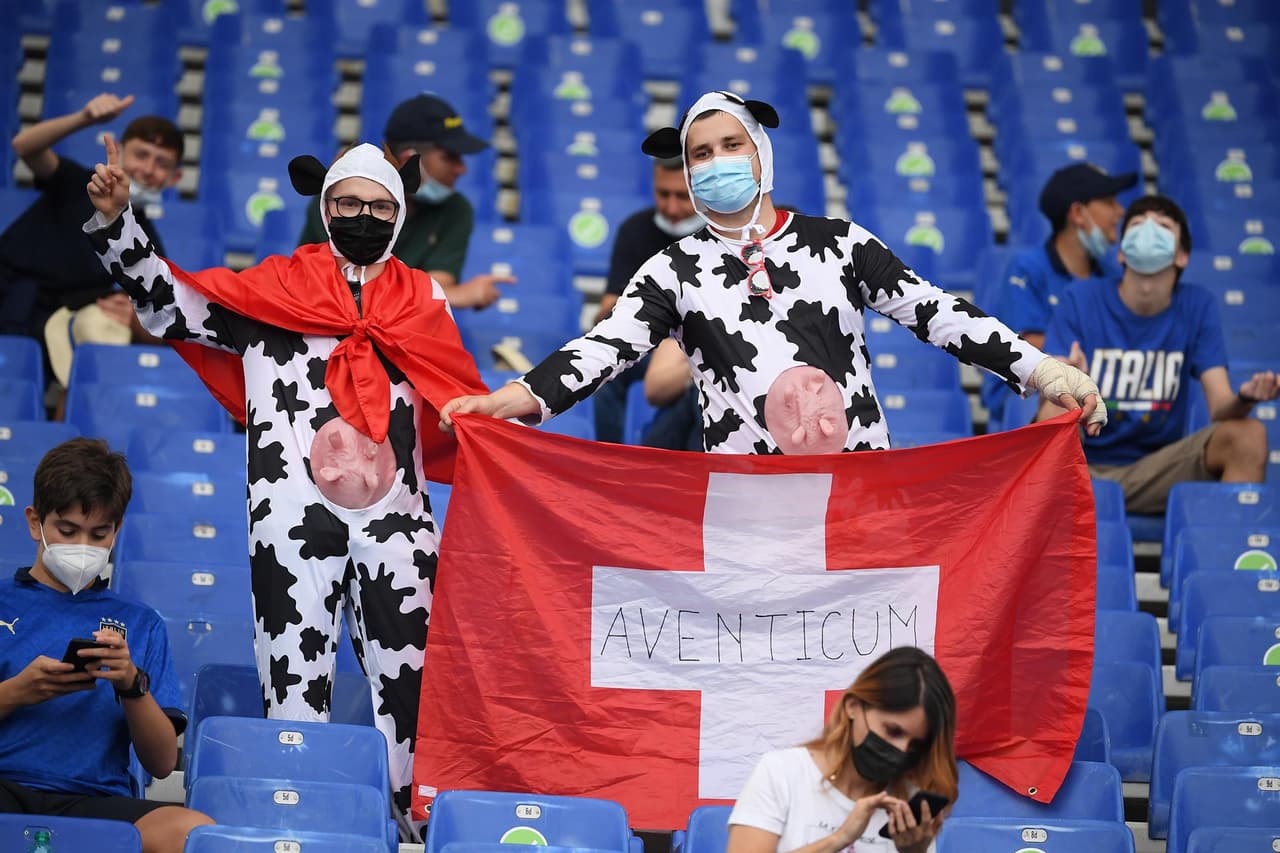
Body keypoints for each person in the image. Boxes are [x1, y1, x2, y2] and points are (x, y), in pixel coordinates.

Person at [84, 137, 488, 840]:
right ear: (325, 207)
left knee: (412, 681)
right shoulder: (273, 289)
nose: (363, 215)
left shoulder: (425, 296)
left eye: (378, 205)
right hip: (290, 509)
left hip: (398, 519)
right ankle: (297, 824)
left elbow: (459, 391)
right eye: (348, 203)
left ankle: (411, 830)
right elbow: (167, 303)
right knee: (293, 680)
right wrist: (122, 223)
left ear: (400, 214)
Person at [440, 91, 1107, 451]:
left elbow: (937, 312)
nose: (716, 161)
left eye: (731, 144)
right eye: (700, 153)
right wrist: (511, 401)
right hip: (743, 514)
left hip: (856, 492)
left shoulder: (840, 242)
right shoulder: (675, 267)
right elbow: (602, 351)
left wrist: (1043, 370)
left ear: (759, 155)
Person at [0, 438, 213, 852]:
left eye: (99, 534)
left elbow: (162, 762)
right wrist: (16, 693)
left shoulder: (141, 623)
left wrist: (131, 685)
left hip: (94, 802)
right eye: (67, 530)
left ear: (116, 531)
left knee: (193, 832)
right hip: (5, 786)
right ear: (34, 522)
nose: (83, 546)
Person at [1038, 194, 1278, 514]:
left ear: (1181, 256)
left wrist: (1245, 398)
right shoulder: (1080, 298)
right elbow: (1044, 418)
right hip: (1080, 469)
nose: (1149, 230)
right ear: (1122, 254)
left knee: (1248, 435)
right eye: (1137, 224)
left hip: (1158, 471)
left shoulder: (1197, 305)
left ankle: (1223, 555)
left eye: (1163, 225)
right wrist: (1068, 387)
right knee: (1056, 409)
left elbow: (1221, 407)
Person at [727, 647, 956, 853]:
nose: (901, 750)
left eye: (915, 744)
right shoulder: (783, 773)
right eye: (893, 731)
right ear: (853, 707)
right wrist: (839, 838)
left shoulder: (908, 807)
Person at [297, 93, 513, 310]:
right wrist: (455, 296)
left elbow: (437, 287)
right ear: (409, 159)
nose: (461, 169)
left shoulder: (456, 209)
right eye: (450, 157)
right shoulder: (338, 201)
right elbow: (312, 286)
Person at [0, 93, 180, 350]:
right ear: (116, 150)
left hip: (54, 326)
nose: (148, 169)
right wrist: (84, 118)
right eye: (141, 154)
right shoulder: (79, 182)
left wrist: (133, 317)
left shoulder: (143, 239)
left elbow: (161, 314)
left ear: (175, 178)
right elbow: (25, 147)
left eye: (161, 163)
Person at [981, 163, 1135, 424]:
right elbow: (1029, 345)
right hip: (1029, 394)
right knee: (1063, 398)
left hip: (1098, 386)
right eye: (1109, 201)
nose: (1120, 211)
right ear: (1077, 213)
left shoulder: (1111, 274)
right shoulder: (1028, 268)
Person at [592, 155, 700, 444]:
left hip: (702, 346)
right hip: (646, 341)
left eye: (682, 197)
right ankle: (610, 460)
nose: (671, 207)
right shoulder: (636, 229)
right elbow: (609, 307)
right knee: (604, 368)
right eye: (663, 194)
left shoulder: (720, 234)